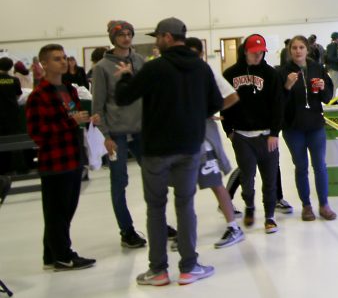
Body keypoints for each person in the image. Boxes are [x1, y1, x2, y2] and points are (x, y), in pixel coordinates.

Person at [115, 17, 222, 287]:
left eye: (157, 37)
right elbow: (215, 103)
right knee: (185, 205)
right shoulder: (201, 67)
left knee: (156, 207)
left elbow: (124, 97)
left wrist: (125, 77)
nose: (155, 42)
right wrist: (192, 117)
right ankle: (189, 267)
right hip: (189, 148)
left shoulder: (155, 68)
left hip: (156, 150)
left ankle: (158, 270)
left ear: (166, 37)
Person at [25, 44, 96, 271]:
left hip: (73, 157)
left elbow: (73, 116)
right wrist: (71, 122)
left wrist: (88, 119)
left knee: (65, 210)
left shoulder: (69, 90)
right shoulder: (38, 96)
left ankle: (51, 254)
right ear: (44, 64)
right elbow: (38, 133)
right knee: (57, 212)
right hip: (55, 162)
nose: (63, 62)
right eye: (57, 59)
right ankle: (63, 256)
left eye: (64, 58)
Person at [91, 20, 148, 249]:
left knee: (155, 177)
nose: (126, 38)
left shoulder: (140, 61)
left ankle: (160, 223)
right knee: (119, 182)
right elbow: (98, 104)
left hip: (142, 130)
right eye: (121, 34)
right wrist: (106, 135)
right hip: (117, 133)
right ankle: (127, 230)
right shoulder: (102, 67)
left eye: (129, 34)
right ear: (113, 38)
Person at [184, 37, 243, 249]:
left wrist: (206, 112)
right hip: (180, 140)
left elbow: (231, 96)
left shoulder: (206, 72)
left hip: (203, 140)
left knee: (215, 182)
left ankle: (233, 227)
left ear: (200, 54)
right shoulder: (177, 73)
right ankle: (184, 232)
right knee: (183, 188)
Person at [222, 34, 284, 234]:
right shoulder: (230, 74)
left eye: (261, 52)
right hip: (241, 136)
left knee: (270, 178)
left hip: (267, 136)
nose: (258, 55)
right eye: (254, 52)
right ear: (246, 51)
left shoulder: (271, 74)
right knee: (247, 179)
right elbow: (225, 104)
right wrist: (229, 131)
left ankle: (270, 217)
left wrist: (275, 132)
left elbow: (278, 106)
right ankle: (249, 205)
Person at [277, 35, 336, 222]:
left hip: (315, 126)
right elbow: (278, 102)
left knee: (320, 166)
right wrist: (286, 86)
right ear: (290, 51)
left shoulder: (317, 68)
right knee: (301, 167)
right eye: (294, 48)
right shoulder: (282, 72)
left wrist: (323, 86)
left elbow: (327, 98)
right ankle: (306, 206)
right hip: (293, 128)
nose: (298, 51)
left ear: (307, 50)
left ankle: (324, 205)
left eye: (301, 47)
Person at [0, 57, 22, 176]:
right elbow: (18, 95)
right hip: (12, 113)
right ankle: (19, 166)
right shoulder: (14, 80)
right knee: (16, 140)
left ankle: (3, 168)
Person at [323, 32, 338, 100]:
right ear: (337, 38)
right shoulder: (332, 46)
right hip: (333, 67)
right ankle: (333, 98)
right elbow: (330, 57)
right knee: (335, 83)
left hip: (336, 67)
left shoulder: (337, 45)